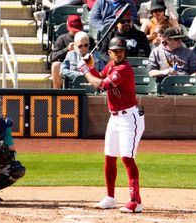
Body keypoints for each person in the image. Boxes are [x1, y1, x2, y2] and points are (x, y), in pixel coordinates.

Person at [77, 36, 145, 213]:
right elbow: (99, 77)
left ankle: (135, 201)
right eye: (115, 51)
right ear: (109, 53)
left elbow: (100, 85)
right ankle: (110, 198)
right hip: (114, 117)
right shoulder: (111, 66)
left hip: (130, 118)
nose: (118, 53)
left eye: (121, 50)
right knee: (109, 157)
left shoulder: (124, 69)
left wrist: (85, 71)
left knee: (127, 158)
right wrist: (91, 66)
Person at [49, 15, 95, 88]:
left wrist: (84, 48)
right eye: (73, 30)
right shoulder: (62, 38)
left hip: (85, 63)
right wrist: (67, 49)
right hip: (68, 64)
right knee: (55, 65)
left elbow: (94, 54)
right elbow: (52, 57)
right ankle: (57, 93)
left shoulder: (87, 38)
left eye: (77, 30)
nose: (75, 32)